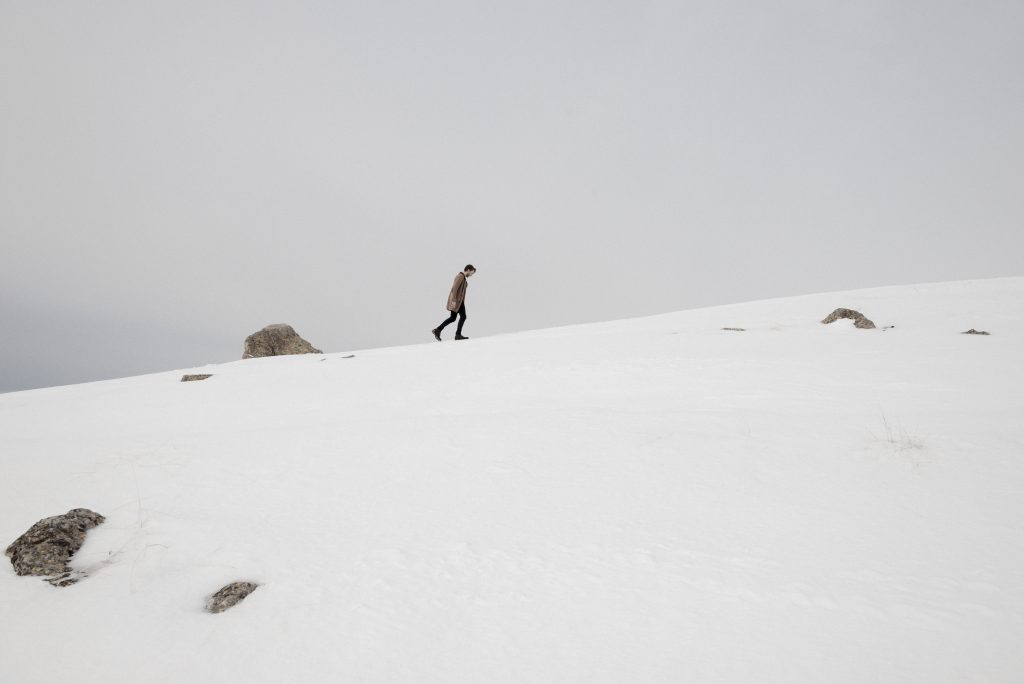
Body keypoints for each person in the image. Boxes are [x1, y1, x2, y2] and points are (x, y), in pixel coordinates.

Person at [432, 265, 476, 341]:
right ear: (468, 270)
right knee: (462, 316)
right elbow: (454, 289)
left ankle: (438, 330)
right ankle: (457, 335)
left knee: (453, 318)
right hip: (457, 301)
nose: (471, 275)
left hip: (459, 302)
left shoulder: (463, 278)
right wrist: (454, 301)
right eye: (472, 273)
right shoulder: (460, 276)